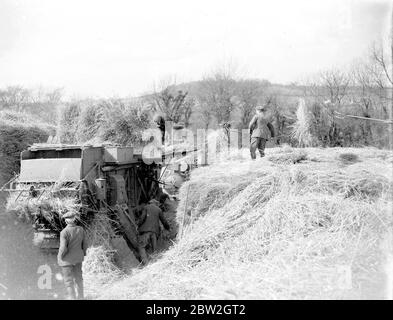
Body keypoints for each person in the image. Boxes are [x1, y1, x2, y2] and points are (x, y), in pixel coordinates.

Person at [58, 212, 88, 300]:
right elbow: (85, 244)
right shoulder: (81, 229)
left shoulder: (64, 232)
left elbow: (63, 248)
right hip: (78, 259)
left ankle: (72, 298)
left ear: (66, 221)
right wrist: (84, 253)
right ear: (74, 219)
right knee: (79, 279)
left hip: (67, 261)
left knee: (68, 281)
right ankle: (81, 298)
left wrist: (60, 257)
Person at [137, 199, 171, 265]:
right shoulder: (159, 210)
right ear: (156, 203)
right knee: (154, 250)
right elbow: (164, 221)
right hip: (155, 232)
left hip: (145, 231)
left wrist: (138, 225)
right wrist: (168, 228)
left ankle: (147, 264)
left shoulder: (146, 207)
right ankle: (154, 264)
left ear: (150, 203)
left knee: (141, 246)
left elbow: (142, 218)